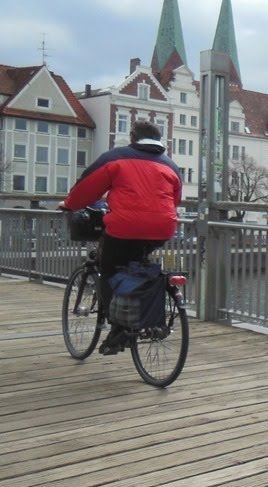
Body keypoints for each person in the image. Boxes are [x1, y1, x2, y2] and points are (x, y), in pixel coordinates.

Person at [59, 120, 182, 354]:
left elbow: (87, 187)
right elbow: (174, 201)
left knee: (109, 271)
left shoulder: (116, 157)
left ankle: (118, 329)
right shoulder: (171, 166)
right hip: (163, 227)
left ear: (133, 137)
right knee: (138, 264)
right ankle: (144, 315)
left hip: (125, 227)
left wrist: (69, 204)